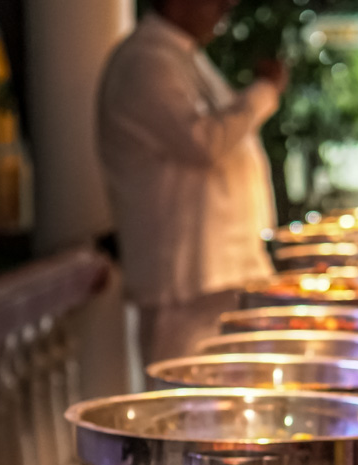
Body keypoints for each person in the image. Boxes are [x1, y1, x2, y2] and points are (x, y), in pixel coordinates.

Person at [98, 0, 287, 365]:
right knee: (189, 406)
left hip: (215, 276)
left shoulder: (179, 55)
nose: (226, 6)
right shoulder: (144, 62)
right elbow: (204, 143)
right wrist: (265, 91)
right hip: (186, 280)